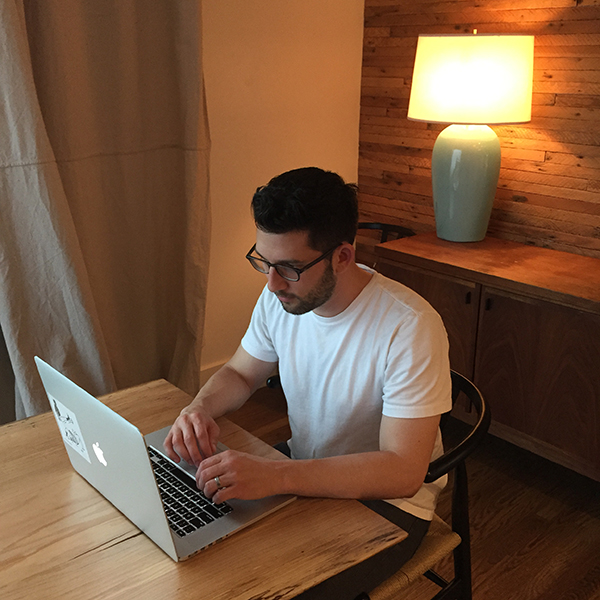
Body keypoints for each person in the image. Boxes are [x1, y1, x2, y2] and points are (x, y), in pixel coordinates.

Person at [164, 166, 452, 600]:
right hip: (303, 467)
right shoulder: (281, 297)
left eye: (290, 267)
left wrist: (277, 475)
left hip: (388, 506)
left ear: (342, 256)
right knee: (202, 551)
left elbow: (402, 471)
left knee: (275, 589)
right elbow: (241, 373)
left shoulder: (410, 327)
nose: (272, 283)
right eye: (264, 262)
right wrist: (199, 408)